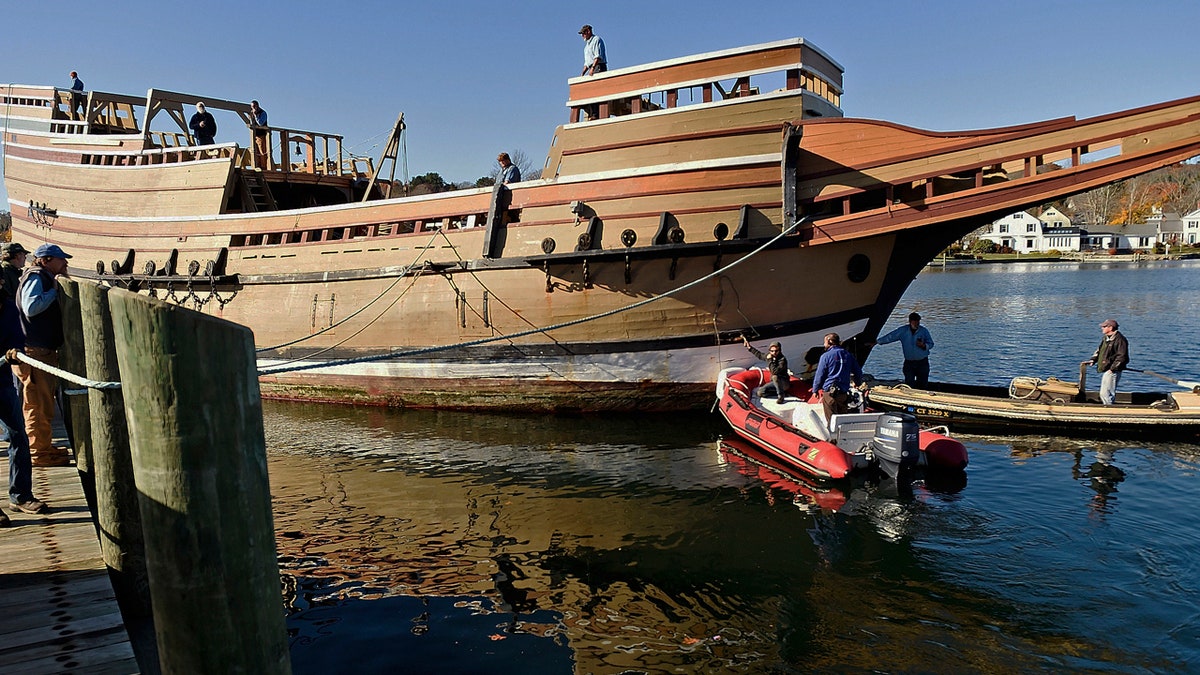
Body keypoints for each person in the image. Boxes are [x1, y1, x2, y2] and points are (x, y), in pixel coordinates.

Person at [14, 243, 73, 468]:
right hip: (35, 352)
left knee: (43, 403)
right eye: (61, 259)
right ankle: (39, 453)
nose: (65, 263)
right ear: (46, 260)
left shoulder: (38, 275)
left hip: (39, 351)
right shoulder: (37, 277)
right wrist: (54, 292)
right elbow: (31, 307)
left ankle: (44, 447)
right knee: (37, 405)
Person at [3, 286, 44, 519]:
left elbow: (17, 337)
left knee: (18, 436)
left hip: (2, 383)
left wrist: (14, 351)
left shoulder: (7, 307)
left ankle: (21, 496)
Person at [812, 332, 864, 425]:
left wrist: (815, 389)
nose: (824, 344)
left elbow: (820, 374)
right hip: (843, 392)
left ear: (829, 341)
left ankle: (833, 438)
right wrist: (858, 382)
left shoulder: (826, 356)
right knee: (842, 418)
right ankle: (843, 436)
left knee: (831, 419)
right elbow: (858, 372)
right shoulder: (848, 355)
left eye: (825, 342)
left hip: (829, 392)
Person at [873, 312, 934, 387]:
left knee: (922, 384)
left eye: (918, 321)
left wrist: (924, 346)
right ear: (910, 321)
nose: (916, 323)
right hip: (909, 363)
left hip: (922, 362)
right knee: (909, 383)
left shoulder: (924, 331)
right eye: (914, 321)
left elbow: (931, 344)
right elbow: (891, 337)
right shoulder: (903, 330)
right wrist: (877, 342)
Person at [1088, 318, 1129, 405]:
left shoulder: (1120, 340)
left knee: (1106, 393)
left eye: (1104, 326)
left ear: (1110, 328)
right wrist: (1093, 360)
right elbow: (1099, 350)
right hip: (1107, 369)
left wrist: (1113, 369)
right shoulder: (1105, 339)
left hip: (1113, 370)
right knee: (1104, 393)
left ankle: (1109, 408)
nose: (1102, 328)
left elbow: (1122, 356)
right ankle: (1107, 406)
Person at [742, 336, 789, 404]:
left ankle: (781, 396)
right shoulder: (770, 356)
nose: (774, 353)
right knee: (760, 393)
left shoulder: (782, 360)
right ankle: (780, 393)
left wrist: (770, 360)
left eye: (776, 351)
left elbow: (774, 371)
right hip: (774, 383)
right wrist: (749, 348)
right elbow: (759, 355)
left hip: (784, 383)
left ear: (779, 350)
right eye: (772, 351)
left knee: (775, 376)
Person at [578, 24, 607, 121]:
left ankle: (596, 114)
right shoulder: (586, 47)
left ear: (588, 31)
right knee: (589, 90)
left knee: (596, 90)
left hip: (598, 66)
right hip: (592, 67)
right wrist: (582, 73)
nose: (583, 36)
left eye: (584, 33)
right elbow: (587, 62)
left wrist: (593, 68)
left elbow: (597, 56)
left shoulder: (596, 40)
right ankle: (592, 112)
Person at [249, 100, 270, 169]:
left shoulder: (263, 113)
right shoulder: (252, 113)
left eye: (254, 106)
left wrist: (255, 116)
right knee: (255, 151)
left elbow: (260, 123)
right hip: (255, 135)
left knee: (262, 152)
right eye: (252, 107)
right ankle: (257, 166)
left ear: (257, 106)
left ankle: (264, 167)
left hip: (262, 135)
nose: (253, 108)